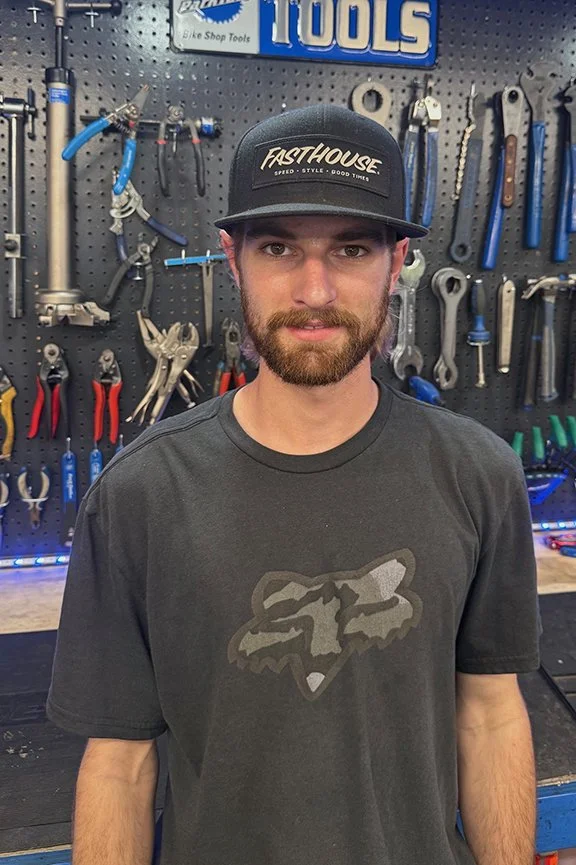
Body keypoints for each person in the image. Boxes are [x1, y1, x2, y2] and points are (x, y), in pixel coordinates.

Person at [46, 104, 542, 865]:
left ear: (396, 264)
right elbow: (119, 764)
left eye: (351, 248)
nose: (315, 290)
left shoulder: (480, 475)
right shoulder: (138, 494)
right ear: (233, 258)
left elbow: (491, 716)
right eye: (279, 247)